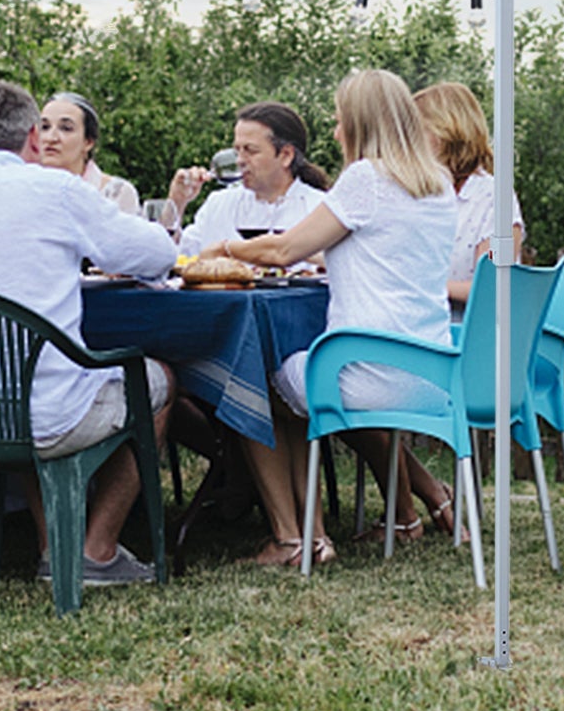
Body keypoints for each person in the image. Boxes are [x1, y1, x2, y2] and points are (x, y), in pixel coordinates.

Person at [0, 80, 177, 588]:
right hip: (51, 413)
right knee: (157, 378)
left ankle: (54, 544)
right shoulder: (59, 192)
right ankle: (95, 549)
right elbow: (158, 254)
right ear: (33, 136)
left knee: (22, 376)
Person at [218, 70, 458, 561]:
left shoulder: (366, 178)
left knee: (255, 380)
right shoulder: (438, 183)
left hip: (372, 372)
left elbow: (283, 249)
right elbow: (383, 250)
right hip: (434, 374)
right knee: (295, 377)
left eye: (340, 120)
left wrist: (223, 249)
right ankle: (328, 530)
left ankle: (296, 537)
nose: (334, 131)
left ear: (362, 123)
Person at [414, 81, 525, 308]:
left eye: (416, 130)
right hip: (419, 320)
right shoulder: (421, 193)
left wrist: (423, 287)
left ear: (445, 133)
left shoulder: (495, 199)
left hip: (463, 327)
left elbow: (494, 286)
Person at [162, 102, 329, 253]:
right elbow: (170, 256)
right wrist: (177, 202)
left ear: (285, 155)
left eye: (250, 150)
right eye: (237, 150)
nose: (240, 160)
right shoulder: (219, 204)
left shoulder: (319, 210)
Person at [37, 91, 143, 215]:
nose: (51, 138)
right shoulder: (28, 190)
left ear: (88, 142)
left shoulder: (115, 194)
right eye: (44, 127)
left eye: (66, 128)